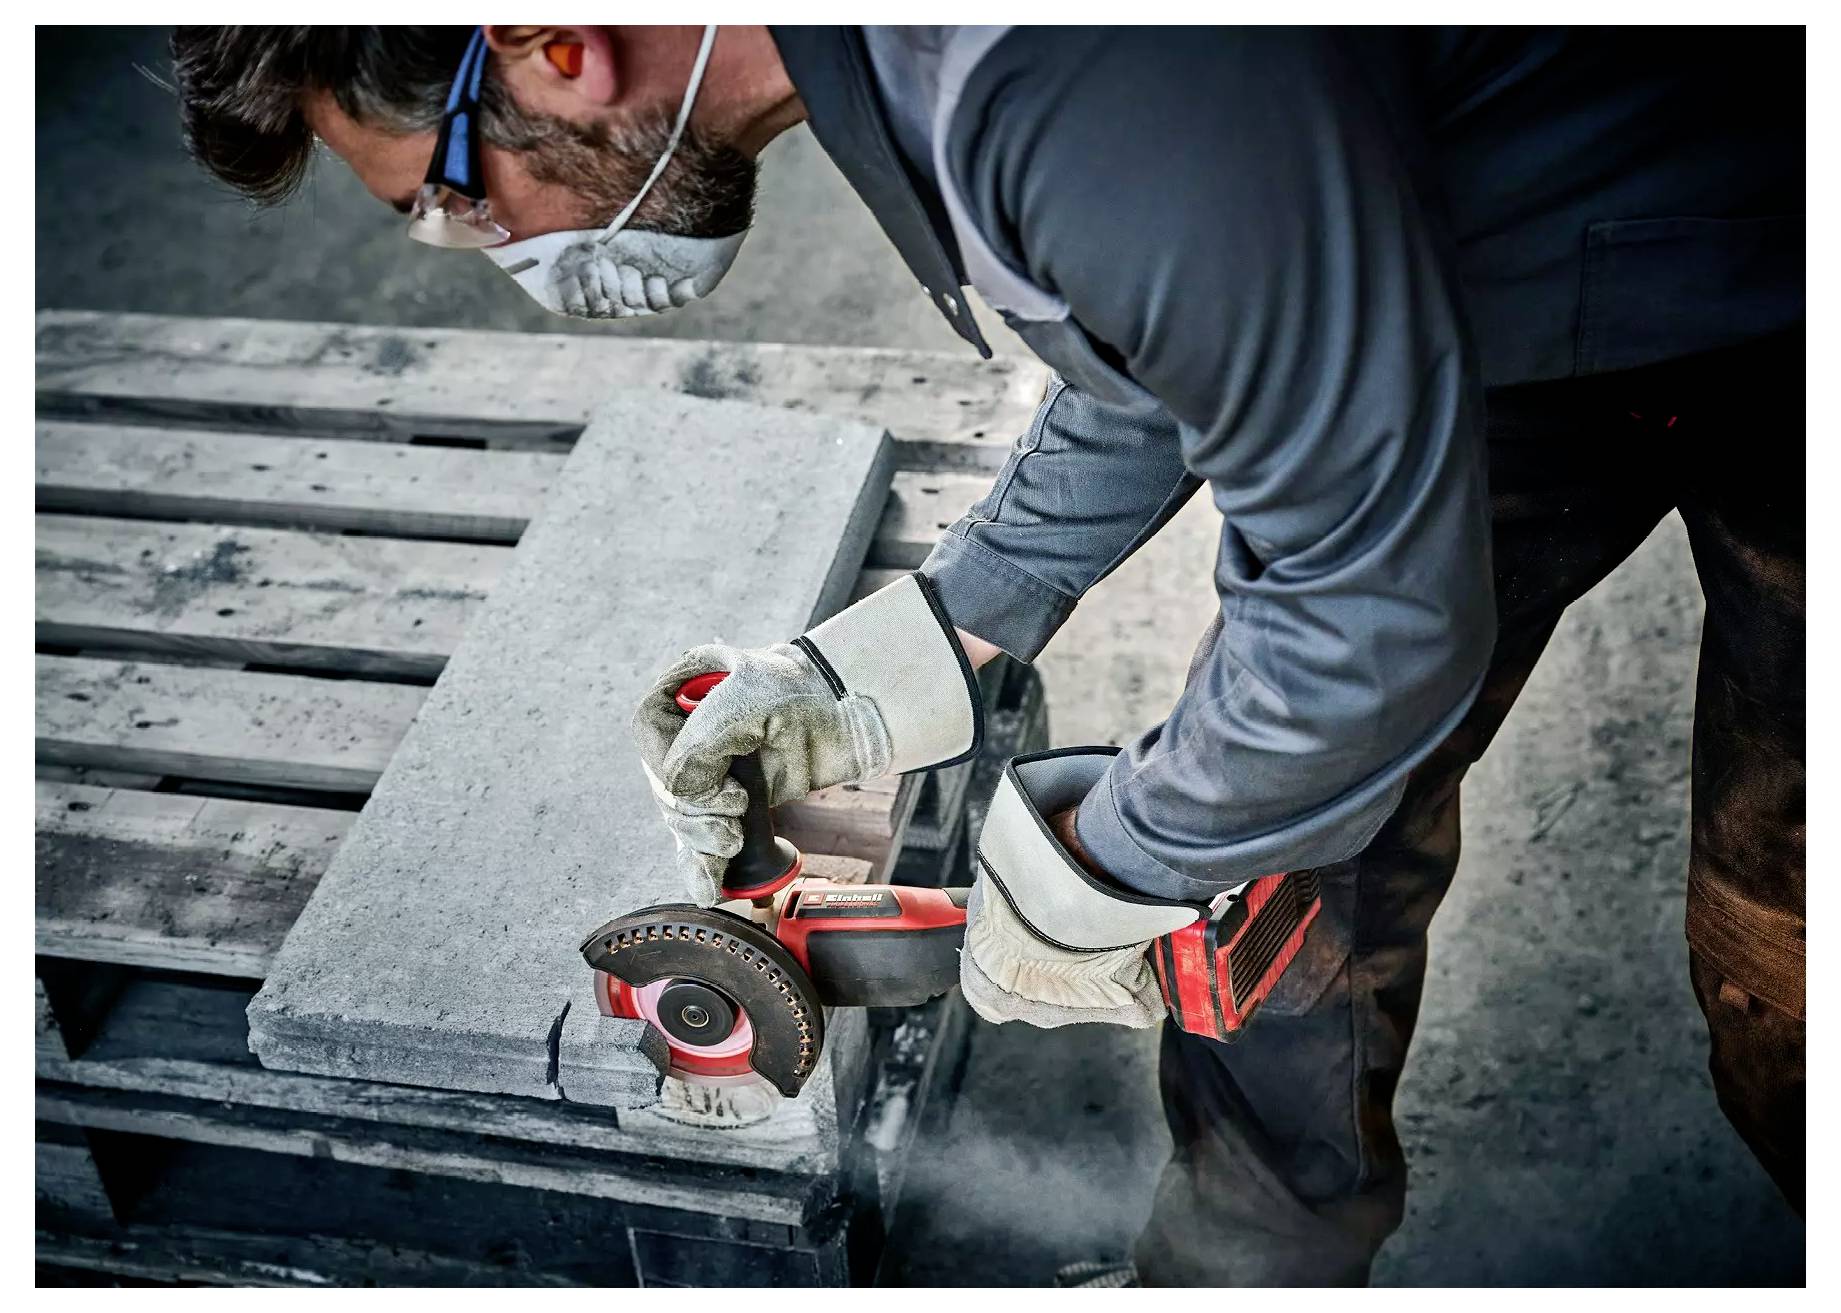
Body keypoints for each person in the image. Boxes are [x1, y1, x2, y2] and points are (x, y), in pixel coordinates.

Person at [170, 26, 1805, 1286]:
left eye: (450, 200)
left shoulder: (1048, 68)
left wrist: (1095, 867)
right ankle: (1243, 1280)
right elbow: (1174, 320)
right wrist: (912, 648)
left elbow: (1369, 611)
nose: (493, 242)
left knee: (1783, 907)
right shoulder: (936, 69)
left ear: (546, 46)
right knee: (1292, 845)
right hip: (1484, 272)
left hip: (1776, 256)